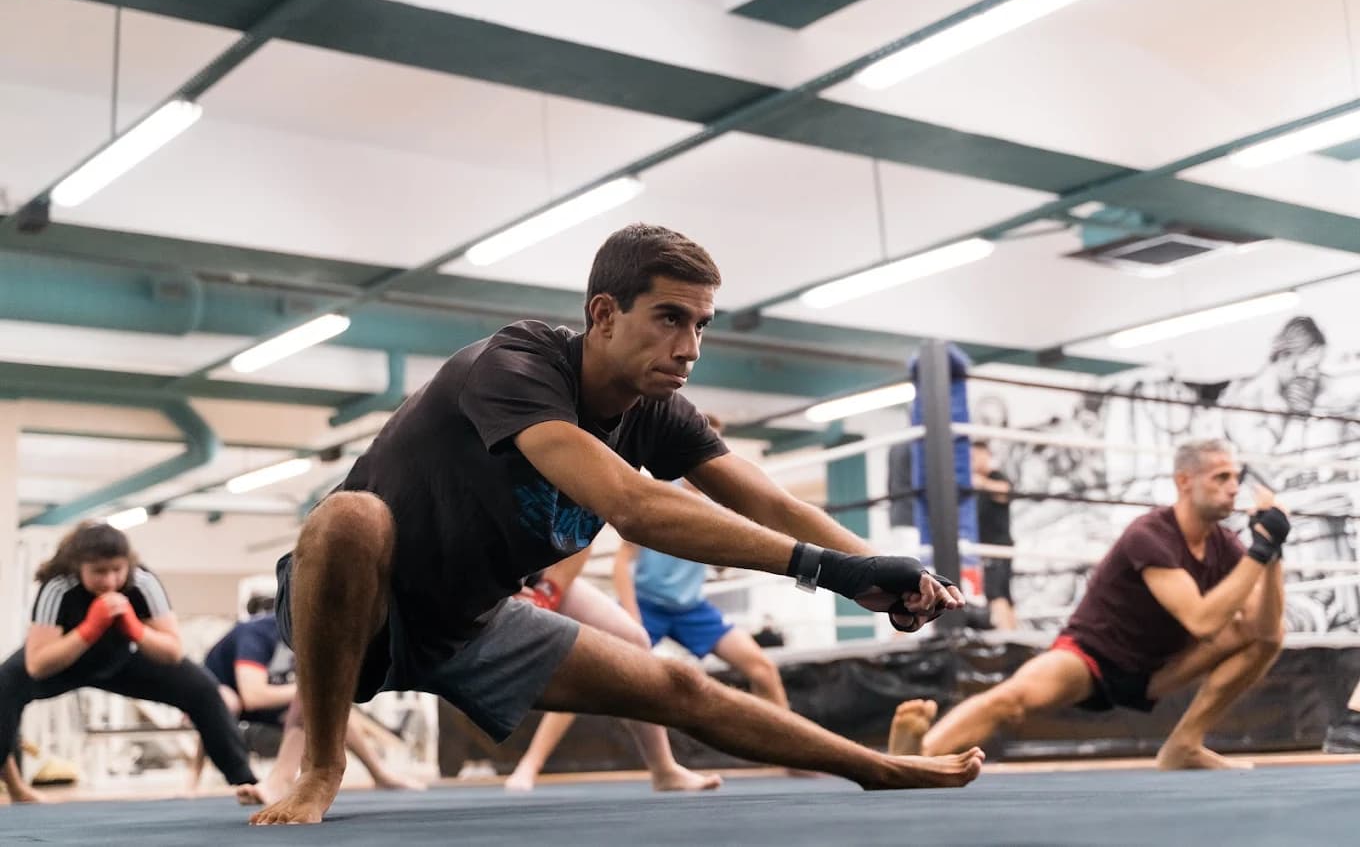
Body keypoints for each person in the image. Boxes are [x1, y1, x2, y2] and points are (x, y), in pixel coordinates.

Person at [253, 222, 980, 826]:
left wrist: (886, 568)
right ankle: (322, 766)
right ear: (604, 314)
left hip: (469, 623)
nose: (690, 347)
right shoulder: (518, 366)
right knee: (348, 518)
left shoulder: (659, 412)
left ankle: (879, 768)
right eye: (670, 318)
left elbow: (774, 503)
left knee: (681, 686)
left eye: (700, 325)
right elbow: (631, 504)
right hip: (359, 598)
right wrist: (832, 571)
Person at [889, 439, 1289, 771]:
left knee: (1265, 637)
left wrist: (1271, 552)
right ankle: (912, 762)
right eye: (1221, 477)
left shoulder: (1226, 546)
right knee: (1010, 701)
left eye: (1235, 477)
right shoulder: (1150, 534)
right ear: (1184, 481)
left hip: (1156, 672)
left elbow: (1267, 630)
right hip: (1093, 659)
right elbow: (1202, 621)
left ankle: (1184, 745)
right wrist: (1260, 550)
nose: (1234, 487)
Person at [0, 522, 265, 805]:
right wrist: (90, 628)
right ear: (79, 567)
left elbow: (172, 651)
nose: (110, 581)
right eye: (99, 572)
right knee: (5, 685)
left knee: (202, 690)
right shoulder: (58, 586)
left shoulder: (141, 581)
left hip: (125, 659)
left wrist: (134, 627)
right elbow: (37, 665)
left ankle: (246, 782)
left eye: (117, 569)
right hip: (67, 661)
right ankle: (15, 786)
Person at [504, 543, 722, 792]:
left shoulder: (575, 512)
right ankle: (530, 763)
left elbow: (579, 543)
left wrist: (547, 593)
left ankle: (664, 768)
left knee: (633, 641)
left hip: (533, 578)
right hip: (475, 579)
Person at [189, 596, 422, 801]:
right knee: (231, 700)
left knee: (327, 703)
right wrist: (316, 687)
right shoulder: (257, 634)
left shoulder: (312, 635)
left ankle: (379, 773)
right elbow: (253, 696)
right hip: (226, 695)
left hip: (268, 700)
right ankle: (200, 779)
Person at [971, 440, 1017, 631]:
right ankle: (1014, 637)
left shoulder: (995, 477)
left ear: (987, 456)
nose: (975, 461)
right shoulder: (972, 489)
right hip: (988, 549)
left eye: (978, 456)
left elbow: (1005, 491)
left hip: (997, 547)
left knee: (995, 593)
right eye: (972, 457)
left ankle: (1009, 640)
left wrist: (981, 482)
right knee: (1003, 595)